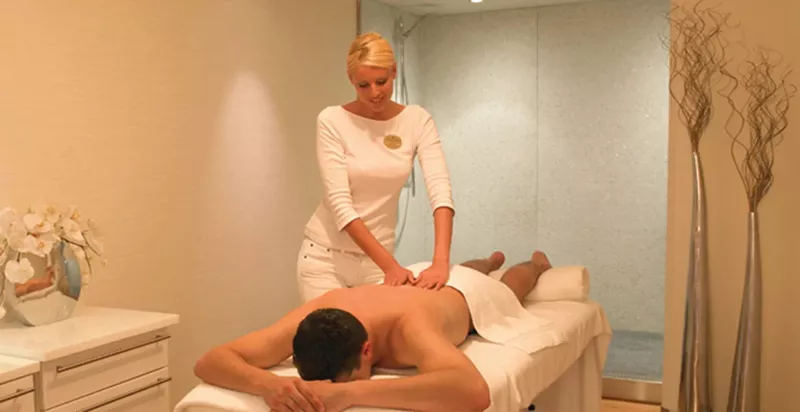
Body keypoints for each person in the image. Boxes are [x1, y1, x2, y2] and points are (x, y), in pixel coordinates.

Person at [194, 249, 556, 412]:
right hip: (416, 283)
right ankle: (488, 259)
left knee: (508, 287)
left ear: (367, 350)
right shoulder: (315, 317)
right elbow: (210, 361)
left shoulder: (409, 328)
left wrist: (348, 394)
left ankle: (534, 264)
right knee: (462, 267)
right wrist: (270, 386)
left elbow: (472, 392)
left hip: (466, 296)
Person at [297, 31, 455, 302]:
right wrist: (390, 267)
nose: (375, 93)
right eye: (363, 85)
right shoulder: (332, 120)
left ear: (394, 72)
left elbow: (440, 191)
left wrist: (440, 262)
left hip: (376, 263)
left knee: (380, 330)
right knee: (333, 330)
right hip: (326, 259)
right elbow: (340, 205)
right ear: (351, 80)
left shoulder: (417, 120)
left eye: (381, 81)